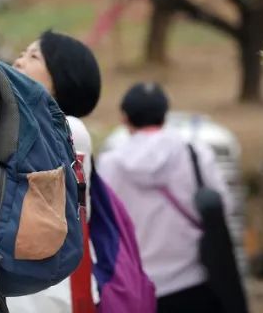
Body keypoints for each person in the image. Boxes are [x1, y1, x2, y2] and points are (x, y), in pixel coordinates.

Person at [97, 82, 233, 313]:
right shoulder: (195, 154)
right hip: (192, 283)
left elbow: (102, 224)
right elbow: (223, 209)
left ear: (124, 118)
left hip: (137, 289)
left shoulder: (110, 164)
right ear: (165, 115)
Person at [7, 31, 103, 313]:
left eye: (33, 56)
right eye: (22, 53)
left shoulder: (71, 129)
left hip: (56, 293)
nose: (18, 61)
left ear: (62, 79)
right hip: (22, 288)